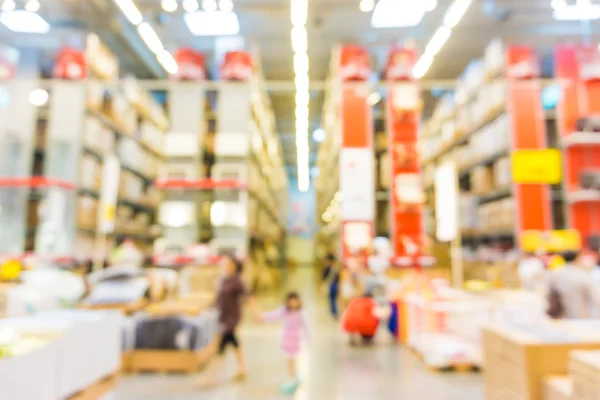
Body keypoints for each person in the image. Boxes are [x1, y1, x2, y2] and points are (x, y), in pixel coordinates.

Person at [200, 255, 255, 387]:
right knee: (234, 342)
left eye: (227, 263)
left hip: (232, 318)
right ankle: (242, 368)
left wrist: (257, 313)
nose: (224, 265)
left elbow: (248, 296)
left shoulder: (237, 280)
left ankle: (210, 377)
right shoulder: (225, 279)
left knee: (222, 347)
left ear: (233, 265)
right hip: (223, 316)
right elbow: (219, 297)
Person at [259, 292, 310, 394]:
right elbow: (274, 315)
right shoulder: (284, 311)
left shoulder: (301, 313)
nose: (293, 303)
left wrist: (308, 338)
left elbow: (305, 326)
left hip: (296, 340)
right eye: (291, 301)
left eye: (295, 301)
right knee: (290, 359)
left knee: (292, 359)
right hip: (287, 339)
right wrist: (263, 317)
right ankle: (292, 377)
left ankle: (293, 377)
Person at [547, 251, 593, 319]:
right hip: (581, 315)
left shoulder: (555, 273)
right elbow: (593, 297)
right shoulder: (583, 274)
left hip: (560, 316)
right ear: (577, 259)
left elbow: (549, 295)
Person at [321, 253, 339, 318]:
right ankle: (333, 311)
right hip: (335, 285)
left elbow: (323, 278)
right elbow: (338, 278)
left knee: (331, 299)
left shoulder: (326, 268)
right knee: (333, 299)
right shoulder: (335, 268)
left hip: (329, 286)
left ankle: (333, 311)